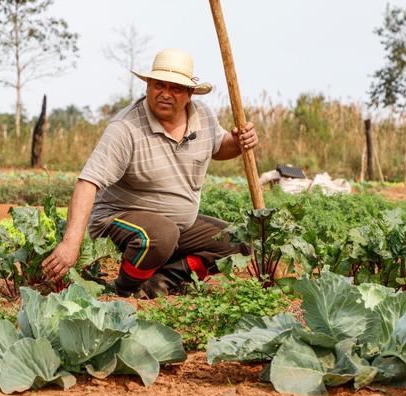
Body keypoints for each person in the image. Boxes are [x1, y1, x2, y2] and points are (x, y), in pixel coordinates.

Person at [42, 48, 259, 298]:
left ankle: (163, 280)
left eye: (175, 88)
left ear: (189, 93)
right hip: (118, 221)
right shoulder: (126, 128)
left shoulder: (204, 117)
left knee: (238, 241)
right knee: (161, 234)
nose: (165, 94)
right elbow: (87, 183)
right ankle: (124, 290)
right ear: (148, 86)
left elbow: (220, 147)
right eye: (159, 85)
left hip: (178, 226)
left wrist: (239, 141)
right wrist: (71, 243)